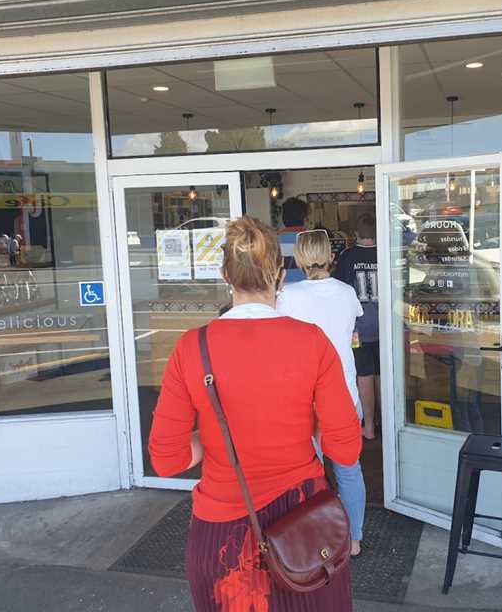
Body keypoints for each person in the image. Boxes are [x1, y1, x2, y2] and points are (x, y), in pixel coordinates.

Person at [148, 216, 360, 612]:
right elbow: (346, 449)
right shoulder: (311, 342)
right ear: (280, 275)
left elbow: (167, 458)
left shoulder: (192, 347)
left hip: (222, 538)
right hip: (305, 531)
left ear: (225, 275)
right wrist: (306, 422)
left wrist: (215, 437)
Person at [277, 229, 367, 556]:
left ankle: (311, 539)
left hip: (304, 398)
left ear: (299, 258)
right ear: (331, 255)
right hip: (344, 394)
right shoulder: (345, 292)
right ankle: (354, 539)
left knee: (306, 471)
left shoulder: (287, 296)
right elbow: (352, 330)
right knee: (349, 469)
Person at [334, 213, 380, 439]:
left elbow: (339, 291)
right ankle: (388, 422)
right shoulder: (385, 254)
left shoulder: (347, 256)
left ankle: (369, 427)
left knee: (364, 375)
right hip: (385, 328)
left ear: (356, 235)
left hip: (357, 330)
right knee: (383, 375)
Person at [278, 197, 308, 284]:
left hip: (282, 290)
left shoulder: (273, 241)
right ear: (304, 217)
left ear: (283, 217)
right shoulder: (311, 240)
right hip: (308, 290)